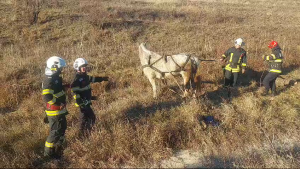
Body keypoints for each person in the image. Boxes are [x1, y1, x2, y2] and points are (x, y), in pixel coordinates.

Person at [71, 58, 109, 137]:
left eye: (85, 66)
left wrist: (102, 79)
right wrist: (80, 102)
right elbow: (75, 92)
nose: (84, 68)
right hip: (83, 104)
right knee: (84, 120)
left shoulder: (85, 76)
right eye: (82, 67)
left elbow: (93, 79)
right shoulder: (77, 79)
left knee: (90, 118)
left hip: (87, 102)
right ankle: (81, 135)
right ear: (78, 68)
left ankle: (87, 132)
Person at [42, 56, 68, 159]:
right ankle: (48, 154)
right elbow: (47, 96)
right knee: (55, 132)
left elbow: (56, 89)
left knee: (62, 127)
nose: (61, 69)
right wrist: (58, 103)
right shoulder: (49, 79)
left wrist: (63, 87)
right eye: (60, 68)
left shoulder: (56, 77)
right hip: (55, 111)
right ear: (54, 67)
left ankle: (59, 148)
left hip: (59, 110)